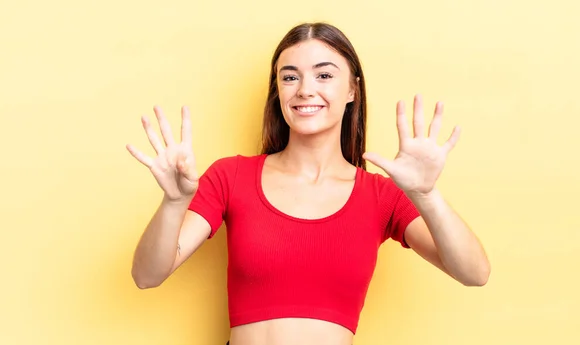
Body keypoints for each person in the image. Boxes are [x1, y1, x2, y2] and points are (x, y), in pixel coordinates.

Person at [126, 22, 490, 345]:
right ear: (278, 92)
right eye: (289, 76)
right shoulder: (230, 177)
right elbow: (147, 276)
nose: (304, 89)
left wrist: (427, 195)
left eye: (324, 75)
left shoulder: (382, 196)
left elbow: (474, 273)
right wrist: (173, 203)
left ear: (352, 91)